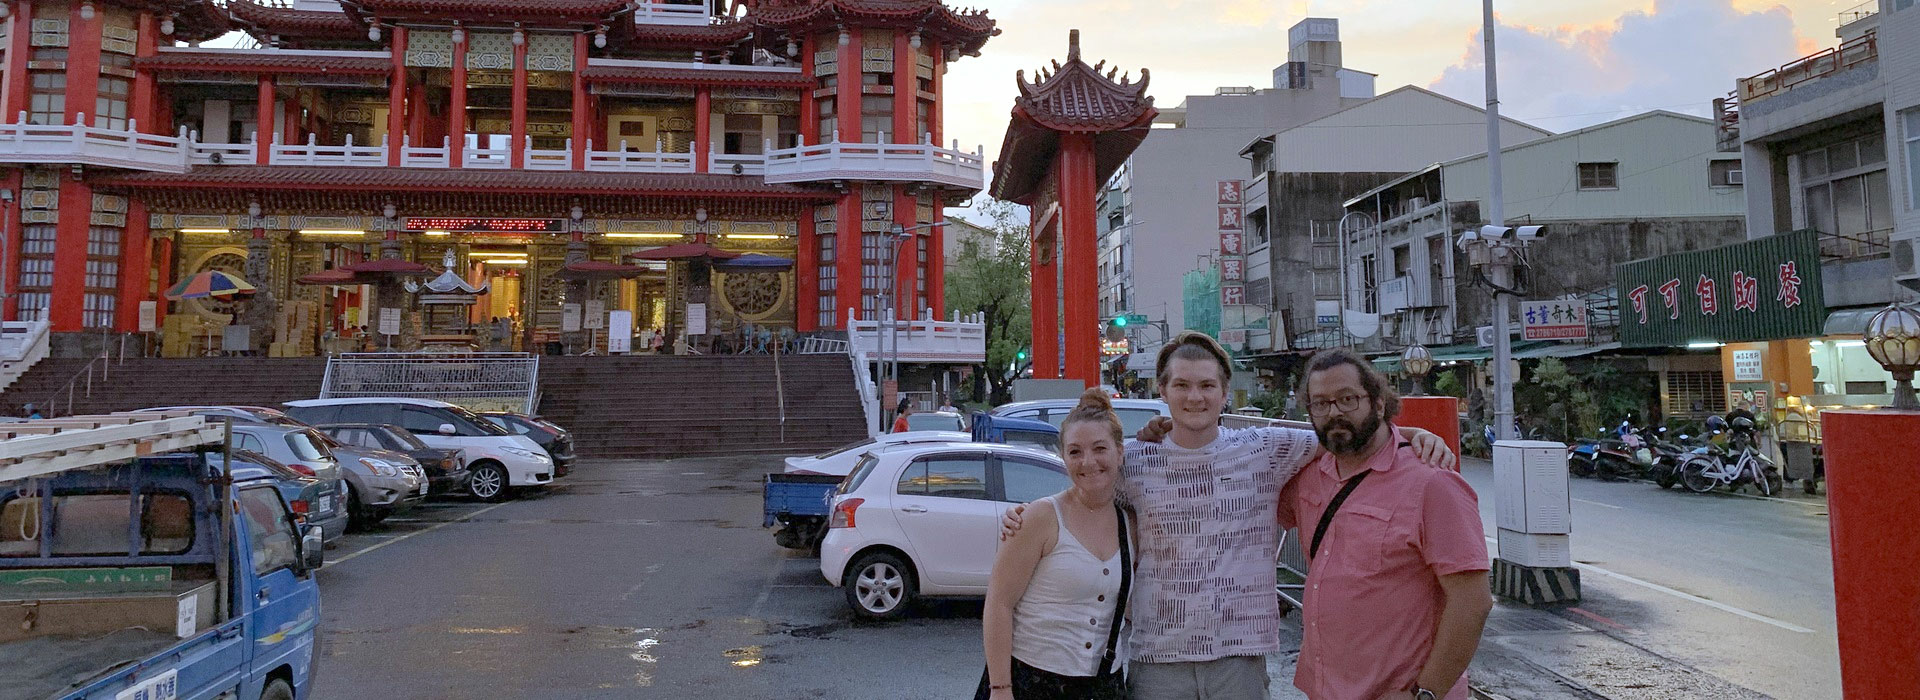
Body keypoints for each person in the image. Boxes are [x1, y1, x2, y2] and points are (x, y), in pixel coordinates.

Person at [1004, 332, 1456, 699]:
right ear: (1162, 390)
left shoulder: (1266, 448)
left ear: (1224, 391)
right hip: (1156, 658)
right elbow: (1080, 495)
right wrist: (1024, 514)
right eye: (1182, 385)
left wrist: (1410, 434)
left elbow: (1347, 437)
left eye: (1206, 385)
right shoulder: (1135, 461)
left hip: (1240, 657)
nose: (1194, 397)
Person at [1278, 348, 1491, 699]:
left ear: (1378, 403)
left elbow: (1472, 601)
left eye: (1347, 399)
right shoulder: (1309, 477)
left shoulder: (1432, 483)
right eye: (1320, 403)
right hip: (1325, 689)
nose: (1334, 413)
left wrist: (1424, 693)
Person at [978, 388, 1134, 700]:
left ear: (1119, 452)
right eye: (1075, 452)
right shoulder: (1041, 517)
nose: (1088, 462)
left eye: (1099, 449)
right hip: (1032, 684)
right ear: (1063, 458)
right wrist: (1000, 688)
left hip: (1103, 686)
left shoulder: (1130, 524)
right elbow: (999, 602)